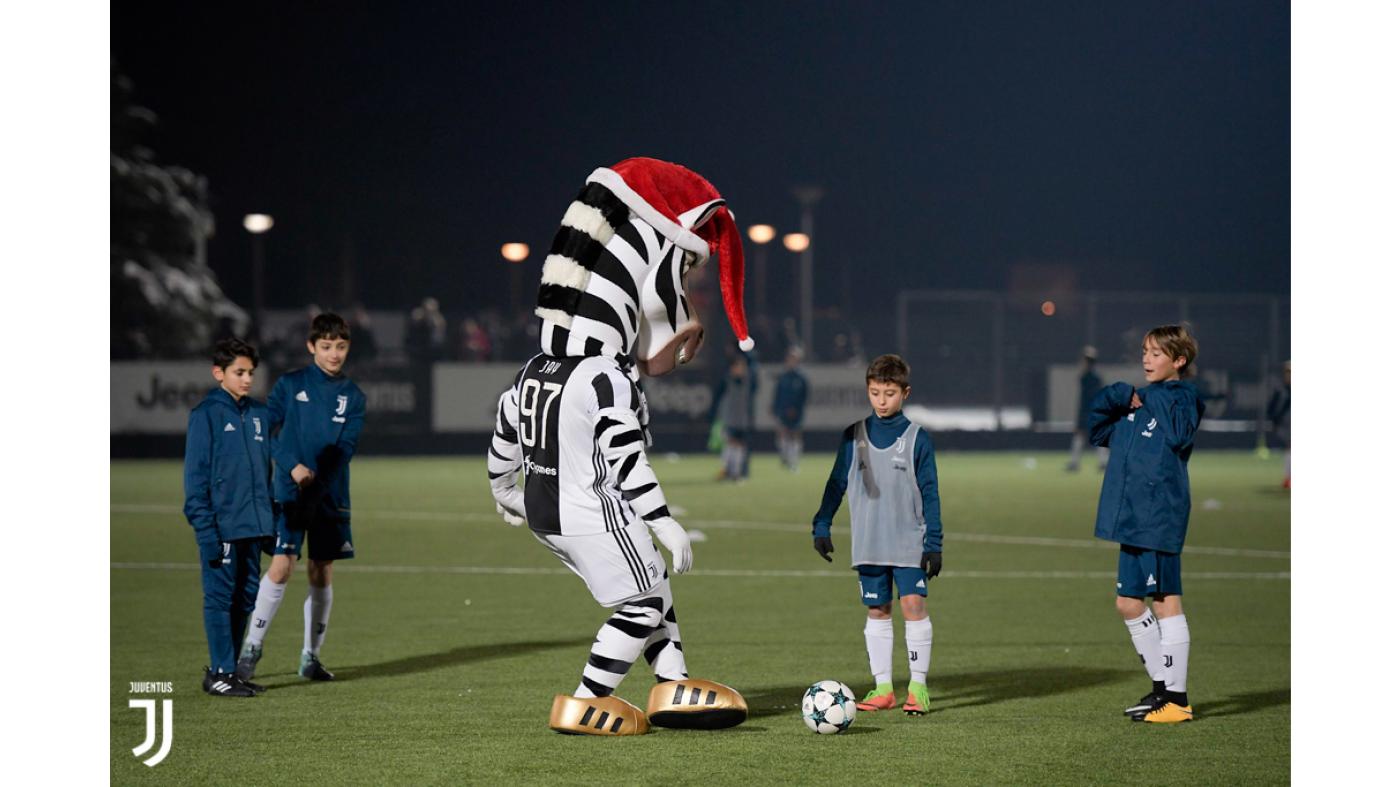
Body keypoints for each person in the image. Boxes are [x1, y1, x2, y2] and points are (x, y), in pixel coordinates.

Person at [236, 313, 367, 683]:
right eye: (326, 347)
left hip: (329, 496)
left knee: (321, 570)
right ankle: (251, 649)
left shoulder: (353, 397)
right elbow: (265, 431)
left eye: (340, 346)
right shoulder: (290, 385)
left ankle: (311, 656)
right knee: (282, 565)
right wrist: (292, 466)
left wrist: (317, 486)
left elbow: (345, 450)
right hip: (290, 492)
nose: (334, 354)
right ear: (312, 347)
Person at [811, 354, 944, 716]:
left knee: (913, 606)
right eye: (874, 393)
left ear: (905, 393)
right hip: (869, 543)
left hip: (909, 543)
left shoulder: (918, 439)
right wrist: (822, 524)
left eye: (889, 393)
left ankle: (918, 688)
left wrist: (934, 544)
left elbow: (930, 492)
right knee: (877, 609)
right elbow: (836, 483)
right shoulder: (853, 436)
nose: (881, 401)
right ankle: (883, 688)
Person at [1088, 324, 1205, 724]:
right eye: (1144, 352)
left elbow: (1178, 435)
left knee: (1166, 600)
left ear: (1179, 361)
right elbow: (1098, 431)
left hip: (1158, 517)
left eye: (1156, 353)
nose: (1146, 359)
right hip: (1133, 520)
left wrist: (1153, 398)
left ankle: (1177, 699)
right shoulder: (1137, 402)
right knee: (1127, 603)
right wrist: (1117, 396)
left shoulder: (1182, 398)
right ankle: (1161, 689)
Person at [183, 338, 275, 697]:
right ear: (218, 373)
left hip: (253, 526)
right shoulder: (205, 415)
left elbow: (263, 476)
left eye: (251, 372)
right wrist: (206, 532)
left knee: (245, 598)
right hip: (222, 528)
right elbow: (195, 482)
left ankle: (231, 672)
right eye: (239, 372)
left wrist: (269, 525)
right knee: (220, 598)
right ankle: (219, 672)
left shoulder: (259, 414)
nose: (247, 379)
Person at [712, 350, 758, 481]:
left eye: (742, 366)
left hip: (742, 419)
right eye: (737, 366)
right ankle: (727, 470)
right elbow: (718, 398)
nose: (739, 369)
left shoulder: (748, 381)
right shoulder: (727, 381)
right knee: (730, 444)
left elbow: (754, 371)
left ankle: (736, 472)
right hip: (729, 419)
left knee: (740, 445)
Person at [1066, 346, 1108, 472]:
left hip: (1087, 410)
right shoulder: (1096, 378)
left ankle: (1075, 463)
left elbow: (1085, 398)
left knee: (1080, 435)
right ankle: (1103, 462)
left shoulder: (1085, 378)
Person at [772, 347, 810, 472]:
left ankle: (794, 461)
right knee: (782, 433)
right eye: (790, 358)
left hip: (796, 412)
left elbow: (805, 396)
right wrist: (776, 408)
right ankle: (785, 458)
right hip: (783, 411)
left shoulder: (801, 378)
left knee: (795, 435)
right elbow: (778, 395)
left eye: (794, 358)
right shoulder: (783, 377)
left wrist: (796, 409)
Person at [1267, 360, 1291, 489]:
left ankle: (1288, 478)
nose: (1289, 375)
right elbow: (1271, 408)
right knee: (1289, 449)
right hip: (1286, 425)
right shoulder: (1281, 390)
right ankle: (1288, 478)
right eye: (1287, 372)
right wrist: (1275, 420)